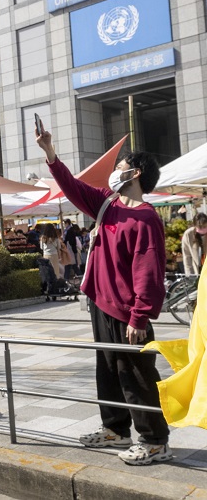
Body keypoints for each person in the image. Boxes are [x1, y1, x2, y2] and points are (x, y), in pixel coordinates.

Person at [37, 126, 171, 465]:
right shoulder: (107, 204)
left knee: (137, 376)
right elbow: (72, 186)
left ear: (135, 172)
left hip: (128, 312)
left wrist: (140, 315)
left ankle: (155, 441)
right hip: (101, 303)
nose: (115, 172)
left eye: (121, 165)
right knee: (108, 372)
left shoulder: (145, 218)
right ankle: (116, 429)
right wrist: (50, 153)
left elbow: (148, 271)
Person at [38, 224, 63, 297]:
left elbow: (41, 248)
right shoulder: (55, 238)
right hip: (54, 255)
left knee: (47, 273)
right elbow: (58, 248)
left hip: (46, 256)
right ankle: (55, 289)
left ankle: (48, 288)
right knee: (55, 272)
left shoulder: (43, 238)